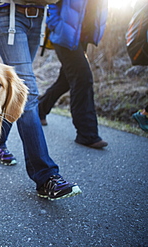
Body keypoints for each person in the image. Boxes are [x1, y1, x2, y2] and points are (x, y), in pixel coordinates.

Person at [0, 0, 82, 200]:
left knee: (14, 90)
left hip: (38, 13)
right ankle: (46, 176)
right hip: (6, 12)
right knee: (26, 90)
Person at [37, 0, 108, 149]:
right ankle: (87, 133)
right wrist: (55, 24)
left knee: (66, 81)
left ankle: (40, 110)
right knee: (83, 79)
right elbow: (52, 3)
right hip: (65, 35)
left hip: (82, 37)